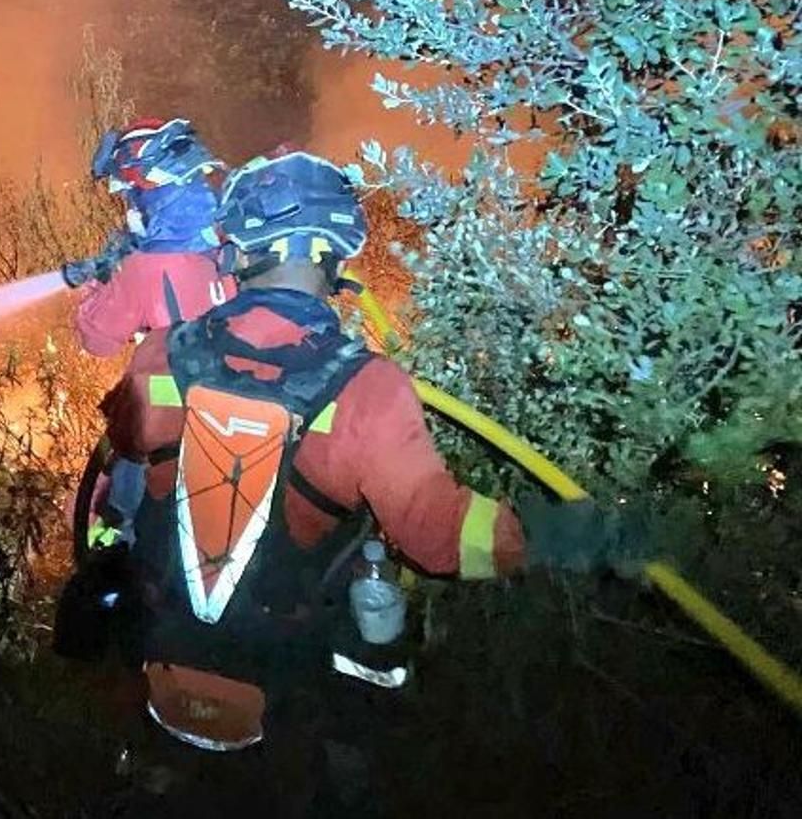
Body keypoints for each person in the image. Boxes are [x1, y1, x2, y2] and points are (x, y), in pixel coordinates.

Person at [93, 151, 624, 812]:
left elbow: (119, 464)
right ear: (336, 255)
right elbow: (439, 538)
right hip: (292, 686)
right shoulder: (369, 387)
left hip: (161, 657)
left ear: (236, 251)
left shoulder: (161, 352)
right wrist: (568, 536)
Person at [63, 118, 236, 551]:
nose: (128, 206)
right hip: (241, 433)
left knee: (107, 519)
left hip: (166, 449)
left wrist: (100, 283)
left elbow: (97, 340)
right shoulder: (231, 244)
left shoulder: (144, 267)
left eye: (128, 193)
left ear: (147, 189)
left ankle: (121, 557)